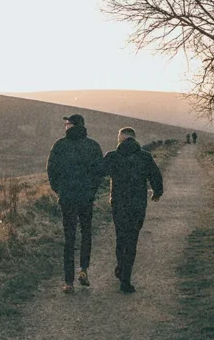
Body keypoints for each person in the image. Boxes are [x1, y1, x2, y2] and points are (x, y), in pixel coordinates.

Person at [101, 126, 163, 293]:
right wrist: (157, 193)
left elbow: (98, 172)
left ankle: (120, 267)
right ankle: (126, 280)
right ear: (134, 139)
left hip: (118, 204)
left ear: (121, 139)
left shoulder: (112, 156)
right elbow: (156, 176)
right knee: (132, 240)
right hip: (137, 204)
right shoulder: (145, 157)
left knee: (120, 237)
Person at [46, 113, 103, 294]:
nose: (65, 126)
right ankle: (84, 269)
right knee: (86, 232)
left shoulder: (60, 145)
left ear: (73, 125)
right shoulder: (93, 146)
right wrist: (92, 191)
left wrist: (59, 190)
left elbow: (51, 170)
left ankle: (68, 281)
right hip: (86, 197)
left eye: (67, 123)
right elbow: (99, 172)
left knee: (69, 237)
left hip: (68, 197)